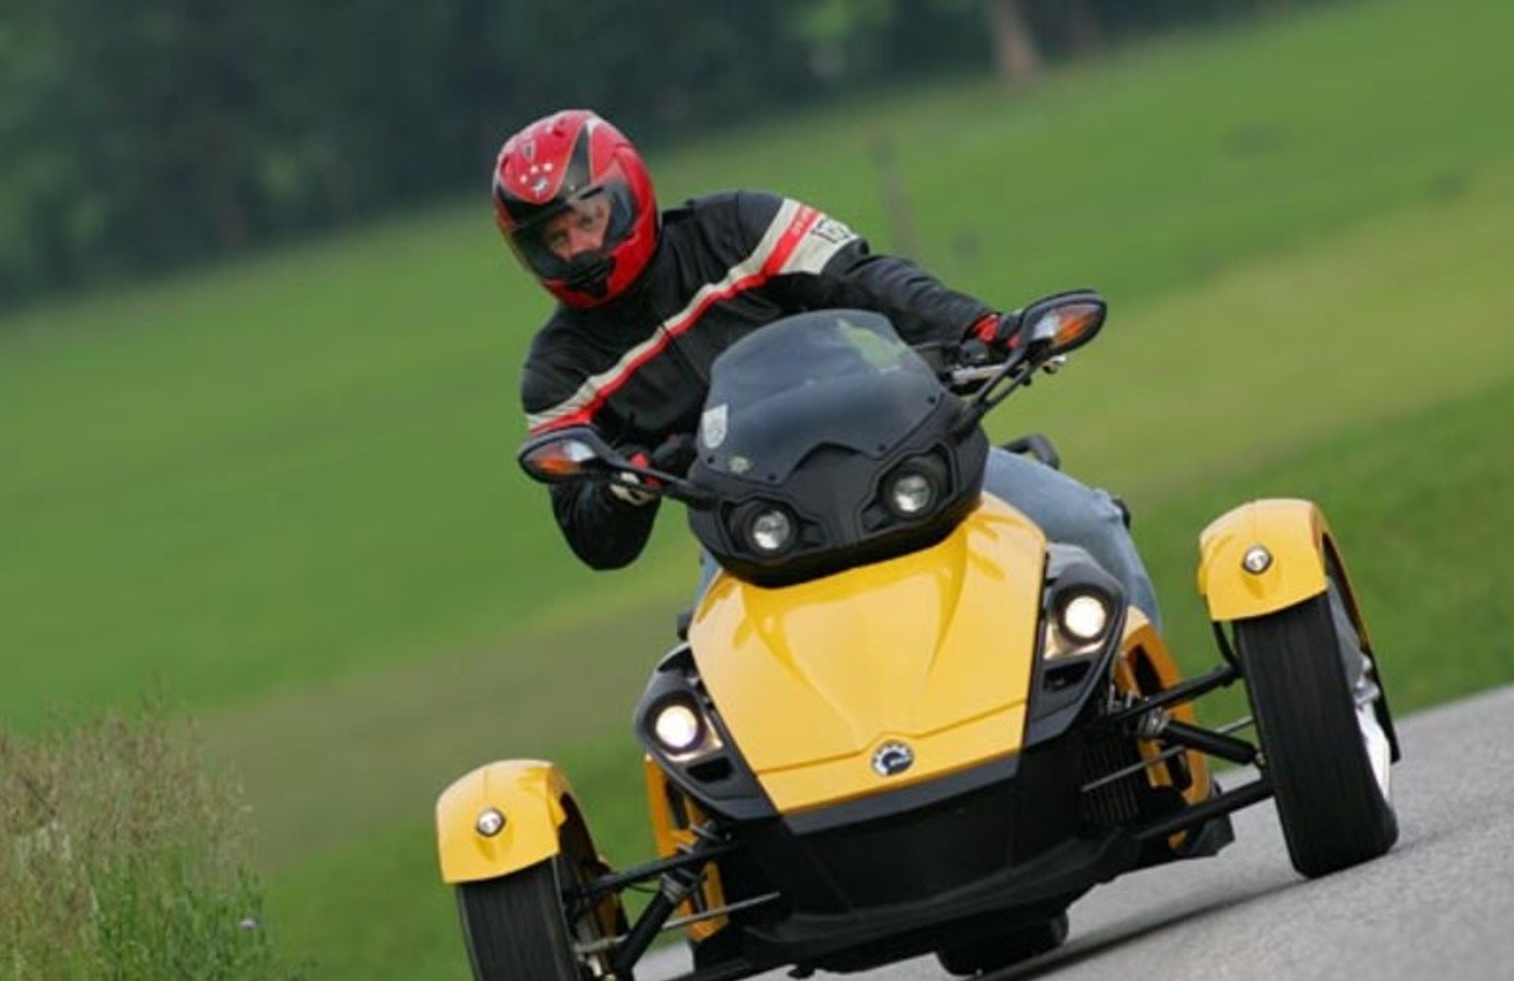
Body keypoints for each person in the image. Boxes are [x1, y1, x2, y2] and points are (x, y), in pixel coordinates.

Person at [492, 108, 1160, 623]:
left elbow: (866, 281)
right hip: (749, 531)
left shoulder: (738, 227)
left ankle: (1158, 735)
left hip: (897, 453)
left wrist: (981, 328)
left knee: (1087, 527)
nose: (580, 247)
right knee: (708, 675)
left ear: (627, 192)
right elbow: (589, 534)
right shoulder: (558, 372)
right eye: (556, 237)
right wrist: (624, 484)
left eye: (588, 217)